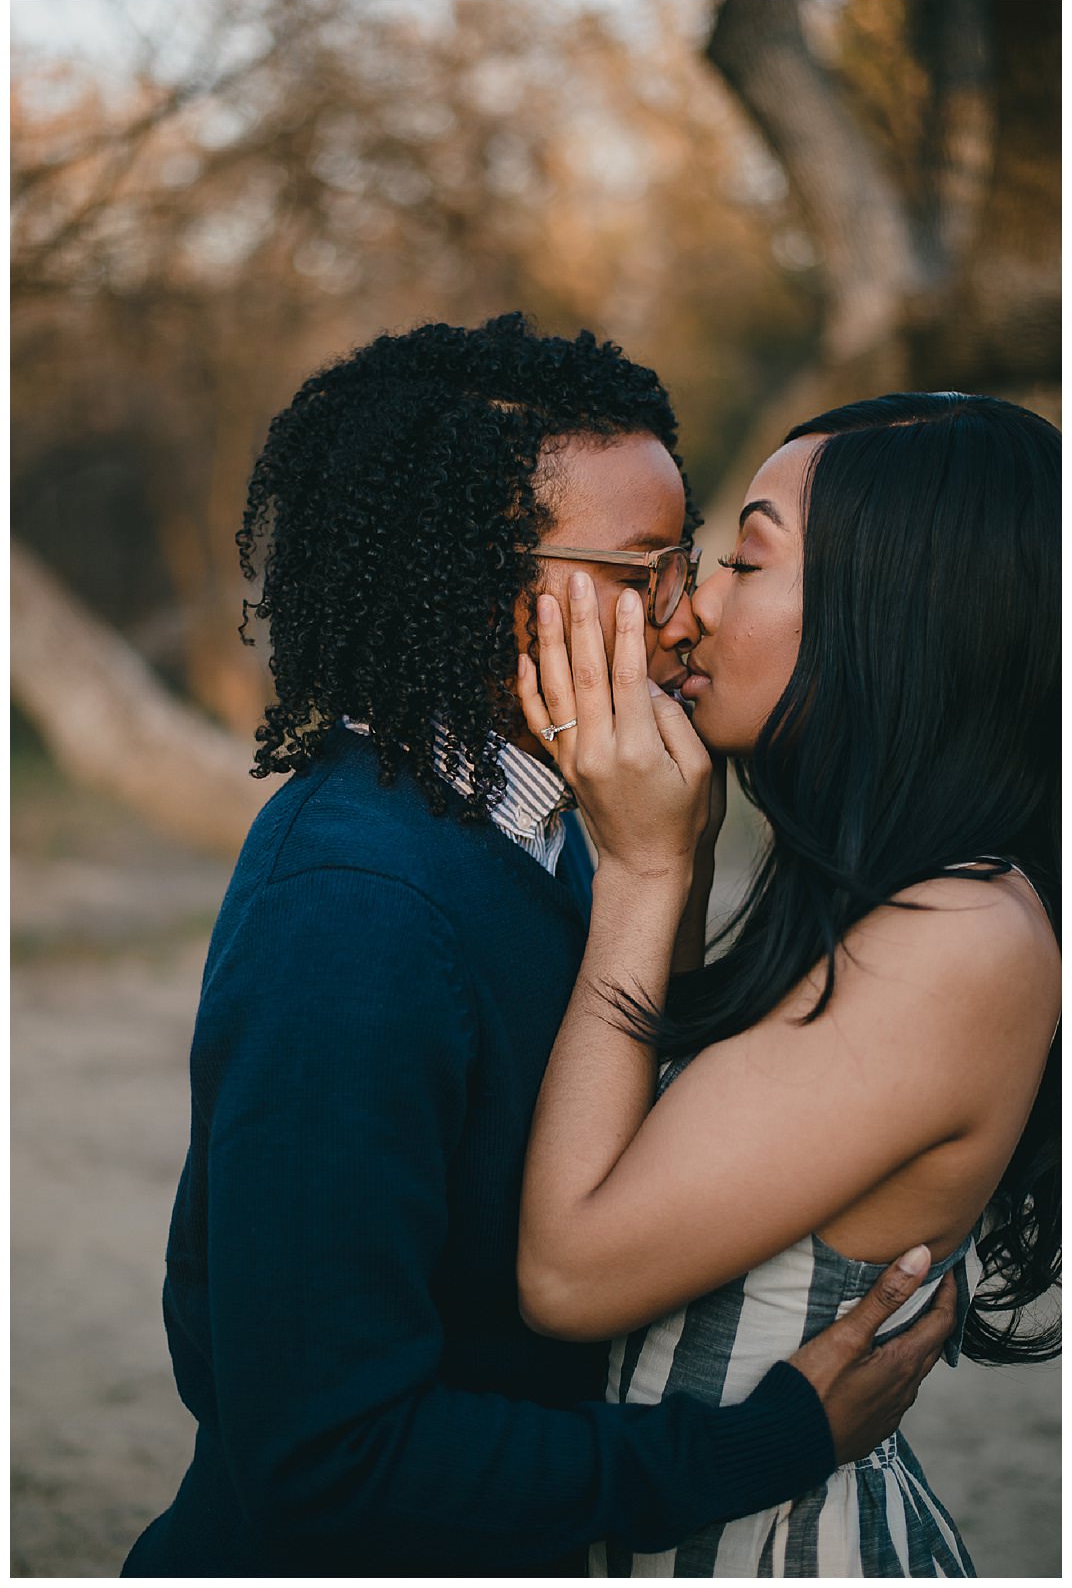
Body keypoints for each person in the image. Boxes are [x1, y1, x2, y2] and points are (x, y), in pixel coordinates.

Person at [123, 322, 956, 1578]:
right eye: (644, 572)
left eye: (693, 561)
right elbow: (321, 1457)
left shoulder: (548, 825)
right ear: (467, 576)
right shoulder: (353, 903)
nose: (687, 618)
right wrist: (754, 1446)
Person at [515, 390, 1060, 1577]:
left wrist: (645, 868)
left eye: (745, 560)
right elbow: (671, 1124)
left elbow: (570, 1269)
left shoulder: (963, 937)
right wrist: (690, 842)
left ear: (895, 616)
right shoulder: (884, 901)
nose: (693, 606)